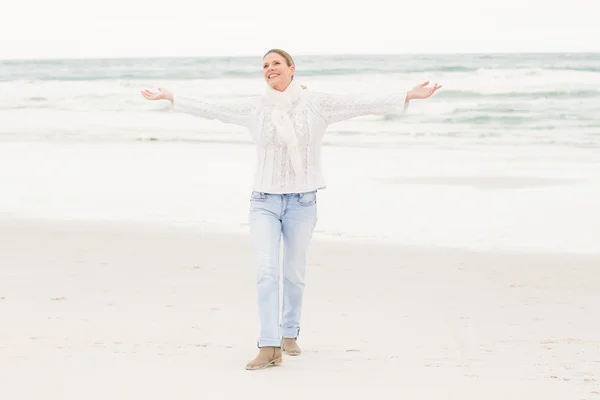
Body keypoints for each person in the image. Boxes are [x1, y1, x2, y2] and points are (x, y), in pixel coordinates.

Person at [141, 48, 441, 370]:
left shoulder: (317, 104)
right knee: (267, 272)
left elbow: (359, 103)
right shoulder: (255, 108)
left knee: (293, 275)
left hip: (302, 202)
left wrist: (408, 95)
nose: (270, 69)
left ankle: (289, 332)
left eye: (276, 64)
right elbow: (214, 108)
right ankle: (269, 346)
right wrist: (172, 97)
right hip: (264, 203)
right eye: (265, 65)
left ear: (292, 69)